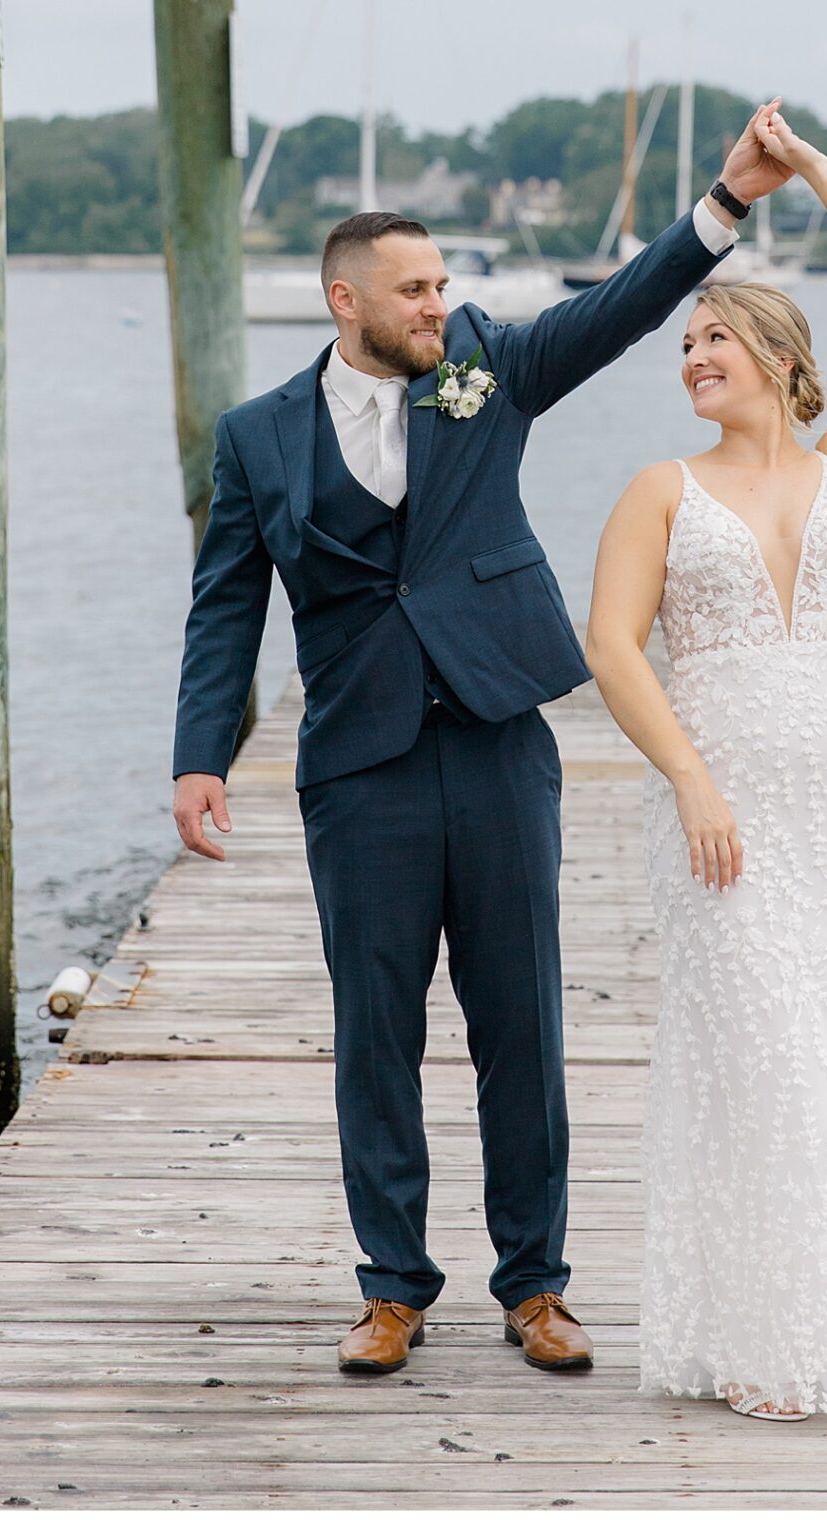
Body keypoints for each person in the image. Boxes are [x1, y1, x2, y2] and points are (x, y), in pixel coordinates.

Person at [170, 102, 795, 1377]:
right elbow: (225, 601)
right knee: (374, 1031)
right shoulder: (256, 438)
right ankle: (391, 1286)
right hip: (361, 764)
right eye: (413, 288)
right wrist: (199, 757)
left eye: (444, 282)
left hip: (502, 736)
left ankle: (537, 1285)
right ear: (344, 300)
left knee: (522, 1022)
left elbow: (617, 309)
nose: (437, 304)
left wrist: (724, 201)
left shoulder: (487, 369)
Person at [585, 107, 827, 1420]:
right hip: (719, 807)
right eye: (682, 346)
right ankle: (758, 1328)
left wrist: (820, 175)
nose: (691, 360)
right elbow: (615, 648)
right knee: (758, 1053)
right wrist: (687, 777)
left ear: (783, 357)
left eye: (712, 338)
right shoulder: (659, 491)